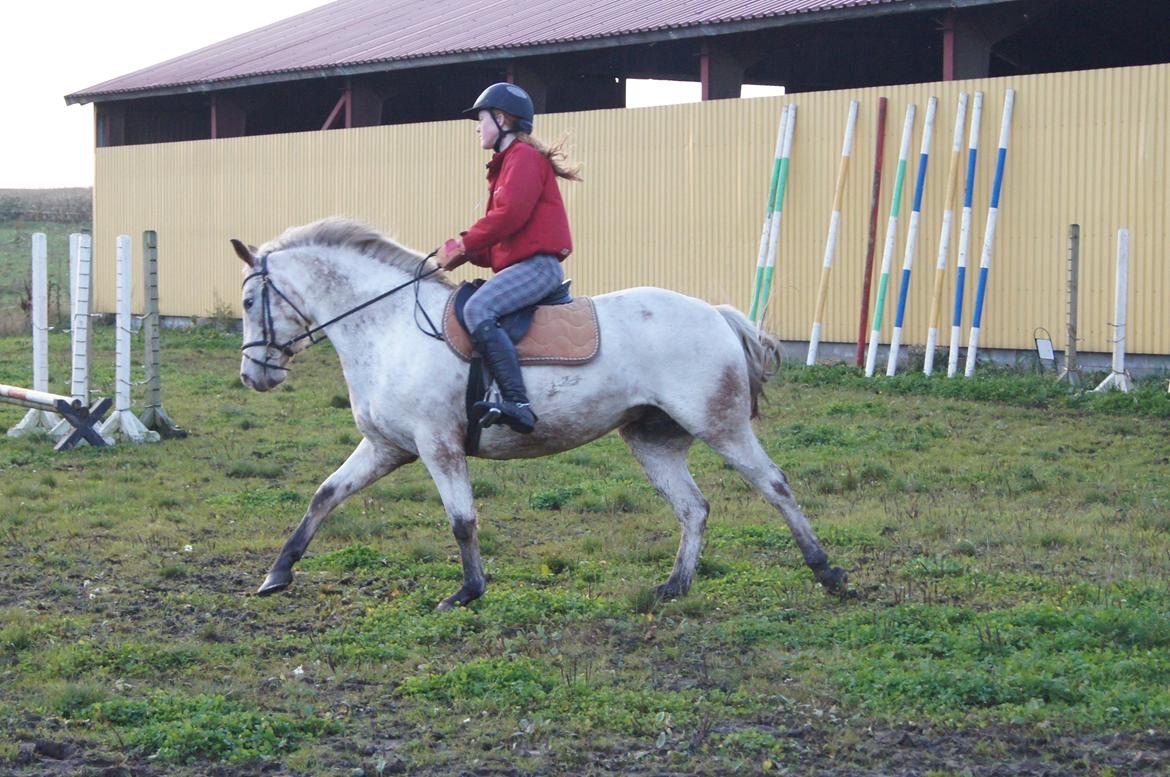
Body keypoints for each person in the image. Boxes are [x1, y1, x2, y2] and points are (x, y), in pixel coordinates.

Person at [435, 83, 582, 434]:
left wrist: (463, 244)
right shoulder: (506, 166)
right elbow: (501, 242)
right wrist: (464, 255)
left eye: (480, 119)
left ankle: (517, 403)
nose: (476, 128)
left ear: (501, 119)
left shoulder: (524, 159)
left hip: (538, 268)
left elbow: (509, 217)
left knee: (477, 309)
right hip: (520, 266)